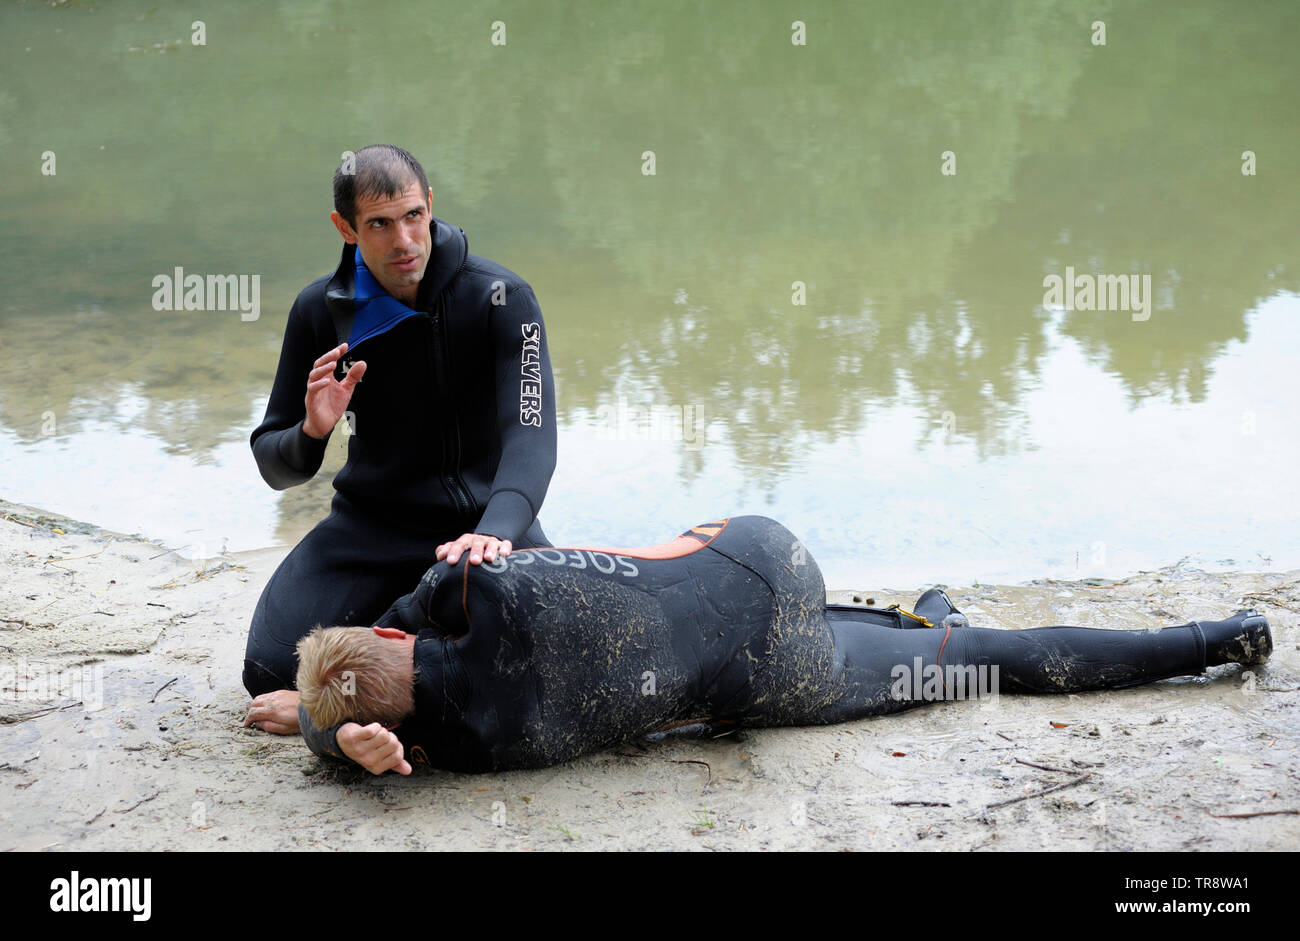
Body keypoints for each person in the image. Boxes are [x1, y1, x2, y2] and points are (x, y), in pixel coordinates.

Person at [286, 515, 1273, 775]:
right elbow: (406, 627)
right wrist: (318, 702)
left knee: (990, 668)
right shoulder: (474, 582)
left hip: (766, 682)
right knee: (687, 604)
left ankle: (1213, 639)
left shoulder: (467, 752)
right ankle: (935, 612)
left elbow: (356, 733)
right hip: (755, 552)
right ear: (387, 629)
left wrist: (329, 735)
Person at [242, 144, 557, 734]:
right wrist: (312, 430)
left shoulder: (503, 298)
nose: (404, 240)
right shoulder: (321, 310)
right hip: (372, 527)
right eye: (380, 224)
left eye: (413, 215)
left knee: (532, 662)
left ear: (431, 205)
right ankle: (403, 650)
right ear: (346, 228)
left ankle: (340, 697)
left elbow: (532, 439)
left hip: (481, 530)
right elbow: (274, 465)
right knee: (268, 667)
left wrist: (494, 532)